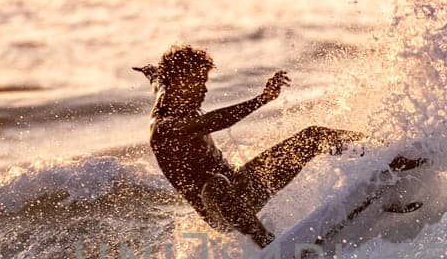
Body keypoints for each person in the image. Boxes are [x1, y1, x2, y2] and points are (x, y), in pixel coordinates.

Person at [136, 45, 364, 248]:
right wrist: (262, 99)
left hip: (242, 186)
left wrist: (150, 71)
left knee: (314, 136)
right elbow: (214, 121)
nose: (204, 90)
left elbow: (157, 81)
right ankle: (268, 244)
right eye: (199, 82)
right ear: (178, 82)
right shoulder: (165, 128)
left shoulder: (167, 89)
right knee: (216, 184)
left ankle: (382, 151)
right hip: (219, 210)